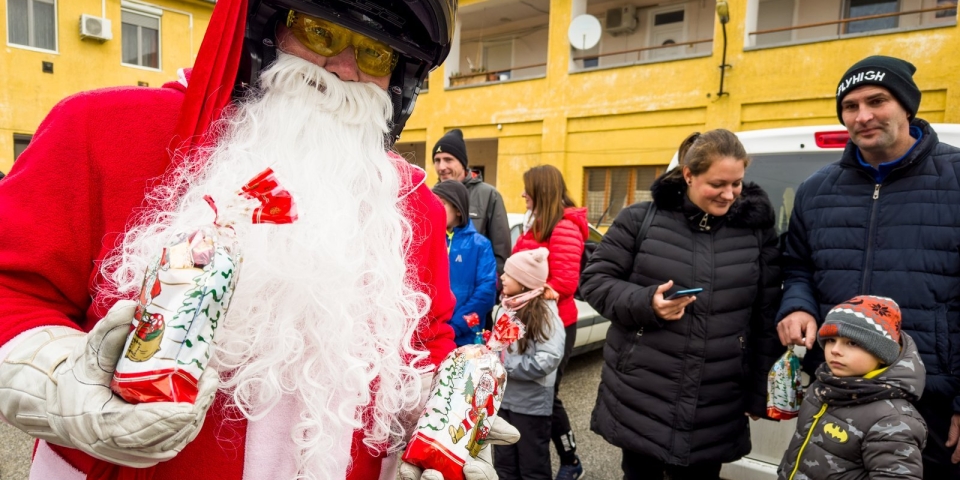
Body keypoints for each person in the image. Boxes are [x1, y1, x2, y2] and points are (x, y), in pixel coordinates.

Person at [0, 1, 517, 479]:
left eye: (372, 51)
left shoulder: (411, 206)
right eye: (320, 32)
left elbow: (425, 342)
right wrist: (62, 386)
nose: (341, 67)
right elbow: (13, 291)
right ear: (264, 30)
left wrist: (439, 413)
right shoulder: (104, 129)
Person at [775, 55, 960, 478]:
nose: (863, 116)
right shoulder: (817, 189)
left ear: (907, 107)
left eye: (877, 101)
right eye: (850, 106)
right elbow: (798, 266)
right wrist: (797, 306)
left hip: (932, 399)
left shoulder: (956, 177)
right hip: (837, 392)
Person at [579, 129, 784, 480]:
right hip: (644, 391)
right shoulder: (640, 219)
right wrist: (647, 303)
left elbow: (765, 313)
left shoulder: (755, 232)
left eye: (737, 183)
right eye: (718, 183)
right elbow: (595, 281)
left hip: (718, 398)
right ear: (689, 174)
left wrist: (758, 387)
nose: (729, 194)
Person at [778, 296, 927, 480]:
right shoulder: (821, 388)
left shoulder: (893, 420)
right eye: (831, 340)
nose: (835, 350)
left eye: (852, 343)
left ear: (882, 354)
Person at [512, 164, 588, 480]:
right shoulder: (539, 224)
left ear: (542, 191)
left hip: (552, 327)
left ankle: (570, 460)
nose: (522, 194)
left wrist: (523, 289)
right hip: (527, 323)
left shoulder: (565, 228)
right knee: (529, 395)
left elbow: (565, 284)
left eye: (527, 189)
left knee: (547, 396)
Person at [493, 247, 565, 480]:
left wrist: (507, 365)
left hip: (531, 407)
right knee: (504, 465)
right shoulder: (508, 306)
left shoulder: (545, 313)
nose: (502, 277)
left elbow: (550, 357)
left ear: (524, 282)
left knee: (532, 467)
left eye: (508, 274)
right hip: (504, 402)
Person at [432, 129, 511, 277]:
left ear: (462, 163)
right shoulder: (430, 195)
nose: (441, 167)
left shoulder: (489, 195)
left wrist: (491, 287)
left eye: (448, 159)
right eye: (437, 160)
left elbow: (501, 252)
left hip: (475, 290)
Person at [432, 180, 497, 346]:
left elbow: (486, 293)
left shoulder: (479, 244)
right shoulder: (429, 239)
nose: (436, 209)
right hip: (434, 336)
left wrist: (456, 326)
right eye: (434, 203)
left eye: (442, 204)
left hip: (466, 338)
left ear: (458, 209)